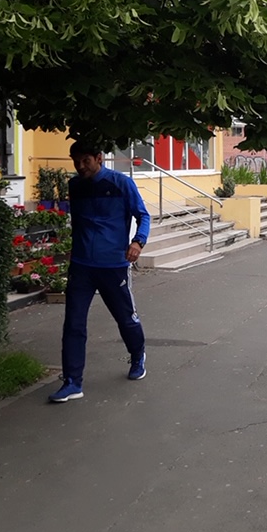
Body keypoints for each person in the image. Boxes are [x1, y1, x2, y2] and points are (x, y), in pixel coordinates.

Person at [49, 139, 151, 404]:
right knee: (73, 323)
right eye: (76, 162)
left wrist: (138, 242)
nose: (80, 166)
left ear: (99, 158)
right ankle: (72, 382)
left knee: (125, 319)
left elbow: (143, 215)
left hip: (113, 265)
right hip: (82, 265)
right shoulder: (75, 185)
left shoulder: (121, 183)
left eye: (86, 161)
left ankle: (137, 355)